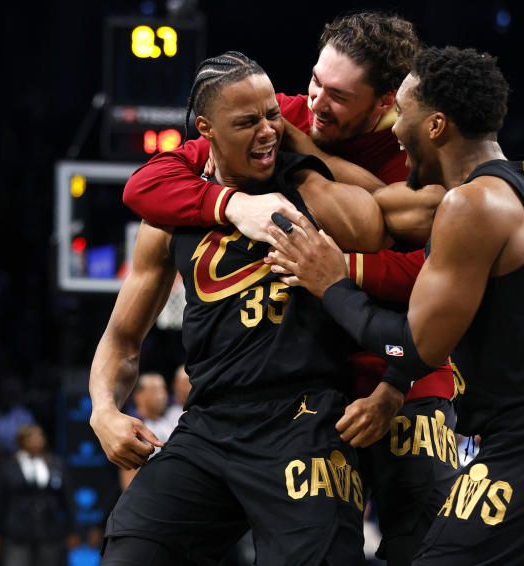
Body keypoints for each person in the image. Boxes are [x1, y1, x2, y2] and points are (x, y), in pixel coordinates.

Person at [266, 45, 524, 565]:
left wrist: (333, 282)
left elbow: (414, 345)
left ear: (436, 125)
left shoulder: (470, 204)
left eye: (406, 113)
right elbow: (378, 205)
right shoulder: (522, 181)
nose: (395, 130)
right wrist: (304, 153)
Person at [121, 13, 460, 565]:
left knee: (423, 544)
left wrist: (337, 269)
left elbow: (438, 283)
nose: (316, 104)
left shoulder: (417, 148)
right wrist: (232, 203)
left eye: (338, 96)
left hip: (401, 366)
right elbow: (149, 183)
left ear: (384, 104)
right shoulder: (282, 115)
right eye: (314, 82)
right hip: (305, 381)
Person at [0, 425, 77, 566]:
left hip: (49, 532)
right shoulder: (8, 466)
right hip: (17, 534)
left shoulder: (56, 465)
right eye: (31, 437)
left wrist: (73, 530)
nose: (37, 441)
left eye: (40, 436)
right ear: (21, 441)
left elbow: (67, 500)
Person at [118, 373, 181, 490]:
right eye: (154, 391)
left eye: (162, 389)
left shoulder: (169, 421)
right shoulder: (132, 427)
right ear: (138, 396)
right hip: (147, 494)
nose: (161, 396)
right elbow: (128, 471)